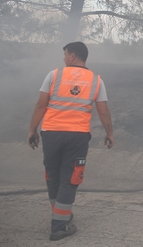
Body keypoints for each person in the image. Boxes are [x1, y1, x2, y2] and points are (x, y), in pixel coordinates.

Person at [27, 42, 114, 241]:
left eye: (65, 54)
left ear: (73, 56)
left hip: (51, 133)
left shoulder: (54, 75)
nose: (64, 58)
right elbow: (103, 110)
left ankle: (60, 213)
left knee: (53, 174)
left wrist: (33, 130)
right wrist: (110, 133)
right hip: (77, 136)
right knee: (70, 177)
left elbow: (41, 105)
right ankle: (59, 225)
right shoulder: (96, 81)